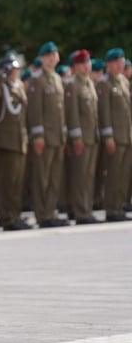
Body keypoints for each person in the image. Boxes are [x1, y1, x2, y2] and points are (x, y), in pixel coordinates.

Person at [26, 41, 68, 227]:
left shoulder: (57, 79)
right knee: (42, 177)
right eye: (48, 55)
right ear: (42, 59)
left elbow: (61, 110)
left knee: (54, 177)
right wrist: (38, 136)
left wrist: (64, 134)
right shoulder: (37, 80)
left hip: (58, 136)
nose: (52, 58)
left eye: (54, 54)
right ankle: (42, 215)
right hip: (45, 136)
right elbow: (35, 111)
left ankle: (51, 212)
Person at [0, 55, 31, 230]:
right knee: (7, 183)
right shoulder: (2, 87)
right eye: (12, 70)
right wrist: (2, 77)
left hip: (19, 141)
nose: (16, 72)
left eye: (16, 69)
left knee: (16, 183)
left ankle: (15, 215)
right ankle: (6, 217)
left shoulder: (18, 86)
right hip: (6, 143)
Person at [63, 50, 100, 224]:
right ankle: (81, 212)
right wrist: (76, 138)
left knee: (88, 176)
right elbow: (72, 114)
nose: (87, 66)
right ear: (76, 66)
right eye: (83, 63)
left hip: (92, 136)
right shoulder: (72, 84)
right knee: (80, 176)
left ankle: (87, 209)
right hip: (81, 138)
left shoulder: (89, 83)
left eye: (88, 63)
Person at [96, 48, 132, 221]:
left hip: (126, 136)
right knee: (114, 174)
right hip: (115, 137)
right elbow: (105, 113)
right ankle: (111, 209)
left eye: (122, 61)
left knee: (123, 175)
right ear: (108, 64)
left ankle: (119, 206)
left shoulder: (124, 82)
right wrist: (108, 136)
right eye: (116, 61)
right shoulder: (105, 83)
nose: (120, 64)